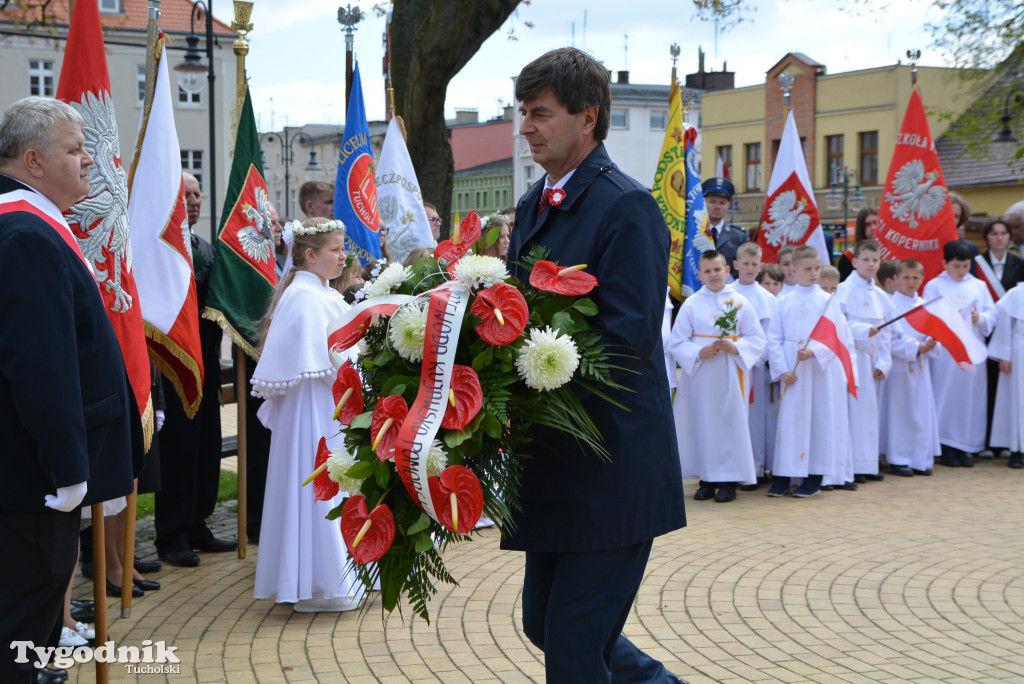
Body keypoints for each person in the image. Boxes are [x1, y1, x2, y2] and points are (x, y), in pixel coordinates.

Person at [504, 48, 686, 683]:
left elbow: (627, 337)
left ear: (588, 118)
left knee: (574, 644)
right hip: (557, 463)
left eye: (540, 113)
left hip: (612, 465)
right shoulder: (534, 203)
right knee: (544, 622)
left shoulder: (626, 207)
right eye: (523, 112)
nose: (525, 126)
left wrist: (524, 373)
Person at [0, 96, 136, 683]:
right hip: (33, 481)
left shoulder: (33, 226)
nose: (89, 161)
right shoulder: (25, 235)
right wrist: (68, 467)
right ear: (33, 161)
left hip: (31, 477)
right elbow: (41, 364)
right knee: (24, 627)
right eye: (76, 149)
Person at [251, 217, 363, 612]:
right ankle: (321, 582)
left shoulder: (321, 292)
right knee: (319, 483)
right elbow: (328, 356)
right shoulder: (304, 298)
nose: (343, 256)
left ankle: (334, 574)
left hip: (326, 406)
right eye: (335, 249)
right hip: (313, 410)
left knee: (334, 481)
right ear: (311, 256)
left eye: (343, 248)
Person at [155, 171, 236, 567]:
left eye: (198, 193)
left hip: (206, 365)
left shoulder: (207, 248)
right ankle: (171, 534)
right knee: (178, 452)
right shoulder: (159, 249)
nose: (193, 200)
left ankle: (197, 523)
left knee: (206, 449)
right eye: (185, 194)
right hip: (171, 371)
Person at [669, 250, 766, 503]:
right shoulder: (692, 304)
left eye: (717, 269)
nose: (713, 275)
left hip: (729, 374)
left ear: (727, 271)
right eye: (708, 271)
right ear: (699, 275)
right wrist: (698, 351)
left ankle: (728, 481)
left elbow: (756, 339)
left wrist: (737, 348)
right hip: (700, 374)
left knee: (728, 424)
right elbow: (677, 341)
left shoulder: (741, 302)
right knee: (702, 424)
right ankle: (706, 479)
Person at [766, 246, 855, 498]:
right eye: (808, 269)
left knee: (818, 421)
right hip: (792, 372)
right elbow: (774, 339)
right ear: (793, 270)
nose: (814, 273)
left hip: (817, 373)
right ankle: (783, 475)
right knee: (790, 424)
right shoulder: (784, 301)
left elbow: (836, 337)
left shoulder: (828, 301)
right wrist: (783, 370)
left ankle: (815, 477)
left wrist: (814, 352)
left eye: (817, 268)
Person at [923, 240, 996, 467]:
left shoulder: (979, 286)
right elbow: (927, 316)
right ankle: (945, 445)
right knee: (945, 395)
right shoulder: (934, 286)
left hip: (971, 349)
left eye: (965, 266)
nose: (961, 271)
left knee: (971, 398)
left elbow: (992, 315)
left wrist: (979, 318)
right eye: (956, 266)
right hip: (945, 353)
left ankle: (966, 446)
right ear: (945, 263)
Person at [836, 241, 892, 483]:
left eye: (875, 260)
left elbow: (887, 333)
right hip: (853, 358)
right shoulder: (844, 290)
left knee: (869, 413)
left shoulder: (881, 296)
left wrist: (884, 361)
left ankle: (868, 463)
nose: (871, 264)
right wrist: (861, 329)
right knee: (853, 412)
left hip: (872, 359)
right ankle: (852, 465)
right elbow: (837, 325)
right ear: (855, 262)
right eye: (866, 259)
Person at [882, 259, 941, 476]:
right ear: (895, 279)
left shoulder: (925, 305)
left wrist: (932, 343)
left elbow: (936, 333)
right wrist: (917, 347)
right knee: (901, 413)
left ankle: (920, 458)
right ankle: (899, 458)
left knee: (921, 412)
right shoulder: (890, 306)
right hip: (900, 366)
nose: (911, 282)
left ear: (922, 279)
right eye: (906, 277)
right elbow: (889, 338)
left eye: (915, 278)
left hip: (921, 366)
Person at [732, 242, 779, 485]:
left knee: (756, 419)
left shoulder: (768, 299)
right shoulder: (727, 293)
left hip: (755, 369)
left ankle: (756, 468)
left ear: (761, 266)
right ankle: (734, 469)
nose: (750, 269)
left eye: (754, 264)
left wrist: (755, 359)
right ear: (736, 264)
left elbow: (771, 335)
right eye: (745, 264)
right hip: (730, 367)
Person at [979, 217, 1024, 459]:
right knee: (988, 386)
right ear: (987, 237)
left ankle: (1008, 440)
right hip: (986, 332)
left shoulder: (1019, 264)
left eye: (1003, 233)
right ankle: (988, 440)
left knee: (1010, 392)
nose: (999, 238)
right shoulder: (977, 265)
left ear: (1009, 237)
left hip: (1013, 334)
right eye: (994, 233)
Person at [988, 281, 1024, 468]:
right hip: (1019, 352)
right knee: (1016, 402)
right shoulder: (1016, 294)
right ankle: (1015, 450)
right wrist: (1004, 355)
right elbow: (1004, 326)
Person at [701, 176, 748, 278]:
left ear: (728, 205)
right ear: (704, 202)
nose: (717, 206)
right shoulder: (693, 233)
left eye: (722, 203)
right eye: (712, 202)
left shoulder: (739, 237)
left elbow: (744, 270)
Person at [836, 207, 878, 281]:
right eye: (867, 224)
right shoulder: (849, 256)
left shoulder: (890, 252)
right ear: (861, 228)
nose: (873, 227)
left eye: (876, 222)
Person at [950, 192, 981, 276]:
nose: (952, 220)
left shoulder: (970, 248)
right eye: (949, 215)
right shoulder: (926, 244)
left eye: (956, 216)